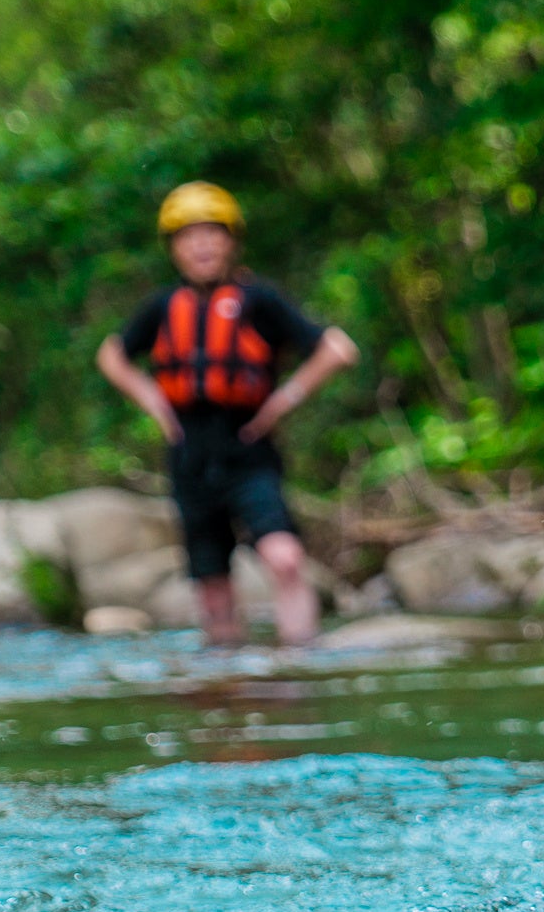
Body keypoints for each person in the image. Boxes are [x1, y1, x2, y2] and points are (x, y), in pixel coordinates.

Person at [96, 183, 357, 648]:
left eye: (212, 233)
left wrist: (285, 399)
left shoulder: (259, 301)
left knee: (285, 557)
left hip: (248, 447)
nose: (201, 245)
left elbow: (338, 349)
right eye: (188, 236)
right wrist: (154, 401)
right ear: (173, 247)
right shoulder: (161, 307)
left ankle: (298, 659)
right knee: (211, 581)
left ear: (231, 241)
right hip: (189, 453)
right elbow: (111, 356)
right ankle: (225, 679)